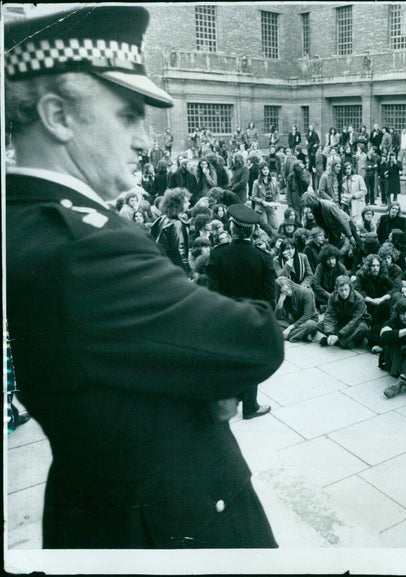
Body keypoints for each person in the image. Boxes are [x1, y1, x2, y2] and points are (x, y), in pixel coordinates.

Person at [5, 6, 283, 549]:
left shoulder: (31, 218)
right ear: (58, 115)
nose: (145, 141)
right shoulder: (85, 246)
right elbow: (255, 339)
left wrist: (190, 360)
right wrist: (208, 369)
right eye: (129, 115)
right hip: (166, 530)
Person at [205, 203, 278, 420]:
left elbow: (210, 291)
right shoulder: (263, 258)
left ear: (232, 226)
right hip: (251, 318)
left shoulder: (217, 254)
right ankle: (250, 406)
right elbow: (268, 298)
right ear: (253, 230)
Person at [319, 275, 370, 349]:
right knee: (320, 325)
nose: (344, 293)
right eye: (341, 290)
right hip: (342, 321)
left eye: (346, 289)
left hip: (357, 323)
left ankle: (341, 341)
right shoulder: (332, 297)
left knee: (362, 327)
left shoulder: (359, 299)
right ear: (336, 289)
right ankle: (339, 339)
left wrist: (339, 335)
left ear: (350, 288)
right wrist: (329, 333)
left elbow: (355, 321)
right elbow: (330, 315)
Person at [274, 276, 319, 343]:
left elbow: (307, 316)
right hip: (293, 320)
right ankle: (301, 334)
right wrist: (280, 303)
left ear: (290, 284)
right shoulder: (283, 296)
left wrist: (289, 329)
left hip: (307, 320)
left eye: (288, 289)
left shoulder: (305, 292)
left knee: (311, 324)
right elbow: (277, 318)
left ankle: (287, 335)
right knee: (274, 323)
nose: (288, 292)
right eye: (284, 291)